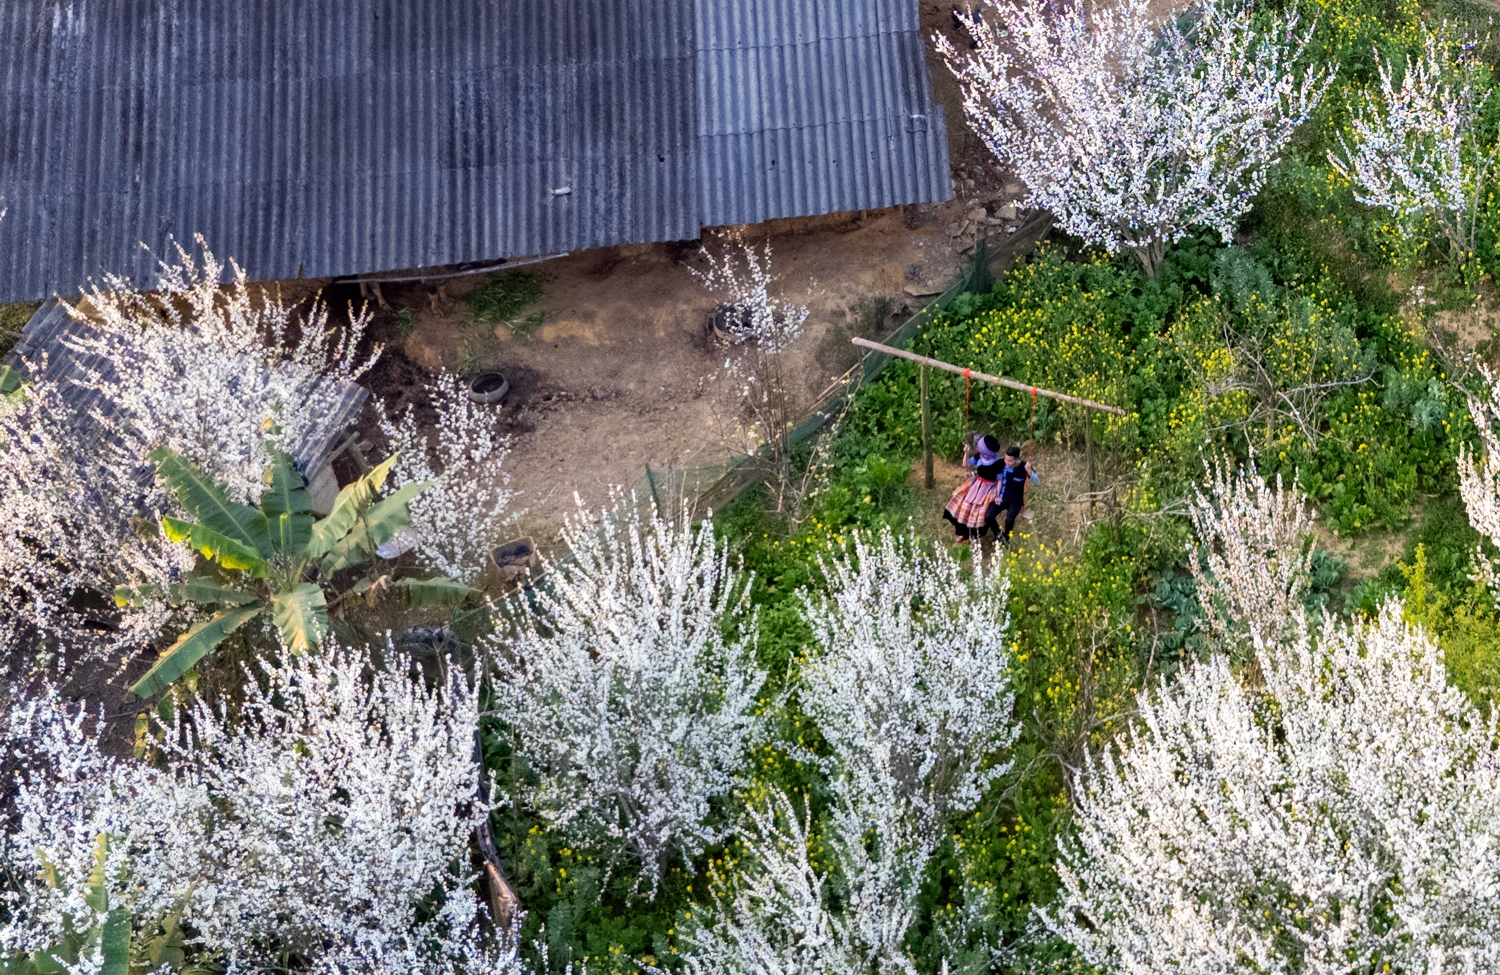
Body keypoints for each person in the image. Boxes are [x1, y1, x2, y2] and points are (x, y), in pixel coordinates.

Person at [943, 434, 1004, 543]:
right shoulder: (979, 456)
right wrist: (966, 452)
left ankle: (981, 534)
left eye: (980, 446)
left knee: (979, 513)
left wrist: (997, 495)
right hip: (976, 485)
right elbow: (965, 464)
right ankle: (965, 533)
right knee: (965, 508)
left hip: (988, 489)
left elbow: (1000, 480)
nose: (977, 448)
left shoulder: (998, 463)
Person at [989, 445, 1039, 544]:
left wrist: (1029, 471)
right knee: (989, 516)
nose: (1006, 463)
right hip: (1001, 497)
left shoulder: (1024, 466)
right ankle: (998, 534)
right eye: (1006, 459)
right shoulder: (1001, 464)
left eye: (1009, 461)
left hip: (1015, 500)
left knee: (1009, 520)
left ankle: (1007, 538)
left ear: (1016, 459)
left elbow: (1037, 481)